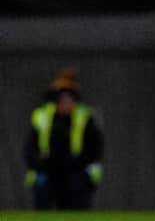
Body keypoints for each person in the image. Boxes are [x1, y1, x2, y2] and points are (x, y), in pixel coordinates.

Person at [24, 67, 104, 210]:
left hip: (75, 172)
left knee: (77, 201)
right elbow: (30, 149)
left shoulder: (84, 117)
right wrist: (41, 164)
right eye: (62, 99)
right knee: (43, 196)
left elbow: (95, 149)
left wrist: (76, 163)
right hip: (48, 172)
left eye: (69, 99)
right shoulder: (42, 117)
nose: (65, 103)